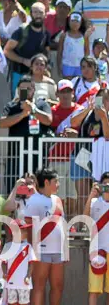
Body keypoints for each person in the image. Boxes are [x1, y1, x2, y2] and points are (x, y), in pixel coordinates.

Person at [23, 168, 70, 305]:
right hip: (40, 251)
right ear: (46, 182)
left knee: (58, 285)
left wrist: (65, 250)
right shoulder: (34, 201)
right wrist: (33, 251)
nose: (58, 184)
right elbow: (29, 227)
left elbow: (62, 225)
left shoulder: (58, 200)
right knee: (39, 286)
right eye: (56, 181)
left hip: (58, 251)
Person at [0, 75, 52, 191]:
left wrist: (33, 110)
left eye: (29, 89)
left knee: (39, 189)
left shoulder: (42, 104)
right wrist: (23, 114)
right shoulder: (11, 106)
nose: (26, 92)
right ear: (18, 90)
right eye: (23, 89)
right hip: (16, 156)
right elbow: (2, 123)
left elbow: (48, 120)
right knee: (14, 189)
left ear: (34, 89)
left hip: (38, 156)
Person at [48, 79, 89, 216]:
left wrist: (76, 135)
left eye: (68, 91)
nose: (65, 94)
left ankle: (71, 224)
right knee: (59, 197)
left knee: (73, 197)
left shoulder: (80, 110)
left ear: (73, 93)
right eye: (62, 92)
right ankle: (60, 223)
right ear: (57, 94)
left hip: (76, 159)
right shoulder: (52, 111)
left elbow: (86, 132)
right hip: (57, 158)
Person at [4, 2, 51, 98]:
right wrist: (23, 60)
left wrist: (46, 68)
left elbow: (46, 53)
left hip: (37, 77)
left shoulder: (46, 34)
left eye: (40, 12)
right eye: (35, 12)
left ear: (45, 14)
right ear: (31, 14)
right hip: (19, 74)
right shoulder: (21, 31)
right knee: (21, 100)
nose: (38, 15)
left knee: (35, 100)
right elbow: (7, 51)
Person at [0, 219, 36, 305]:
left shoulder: (28, 247)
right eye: (23, 230)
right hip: (11, 280)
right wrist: (4, 273)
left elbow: (31, 263)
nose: (25, 232)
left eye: (25, 230)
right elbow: (3, 262)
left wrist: (28, 276)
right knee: (12, 303)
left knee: (24, 303)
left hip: (23, 281)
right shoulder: (8, 246)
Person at [84, 173, 109, 305]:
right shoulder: (95, 202)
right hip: (97, 251)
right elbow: (85, 217)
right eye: (105, 184)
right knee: (94, 289)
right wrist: (90, 196)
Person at [57, 13, 93, 80]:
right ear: (69, 22)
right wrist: (59, 65)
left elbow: (86, 51)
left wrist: (86, 65)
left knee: (79, 82)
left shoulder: (83, 37)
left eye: (77, 21)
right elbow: (59, 52)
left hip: (80, 66)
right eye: (72, 21)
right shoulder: (64, 35)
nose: (75, 23)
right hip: (67, 65)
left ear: (81, 23)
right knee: (68, 83)